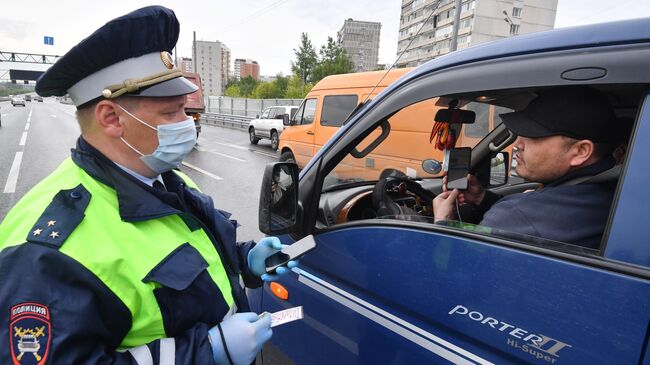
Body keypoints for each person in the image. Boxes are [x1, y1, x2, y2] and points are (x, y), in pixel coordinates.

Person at [0, 6, 295, 365]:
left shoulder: (166, 178)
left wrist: (246, 259)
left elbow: (191, 262)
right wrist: (207, 353)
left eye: (185, 111)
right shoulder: (46, 253)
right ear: (111, 118)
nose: (187, 124)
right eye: (171, 113)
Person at [433, 87, 620, 249]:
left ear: (581, 151)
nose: (518, 143)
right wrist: (483, 198)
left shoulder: (516, 216)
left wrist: (443, 224)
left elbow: (453, 271)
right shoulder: (614, 190)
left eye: (534, 135)